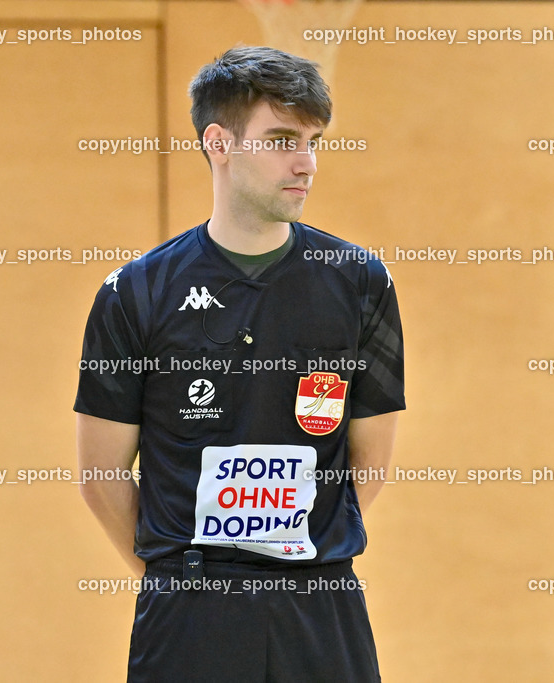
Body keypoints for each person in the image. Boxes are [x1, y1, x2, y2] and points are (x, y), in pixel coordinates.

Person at [75, 46, 404, 681]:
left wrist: (293, 552)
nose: (305, 163)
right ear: (220, 143)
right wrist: (179, 574)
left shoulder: (360, 281)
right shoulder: (135, 292)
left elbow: (371, 461)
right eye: (282, 139)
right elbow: (101, 474)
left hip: (321, 600)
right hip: (189, 610)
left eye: (313, 142)